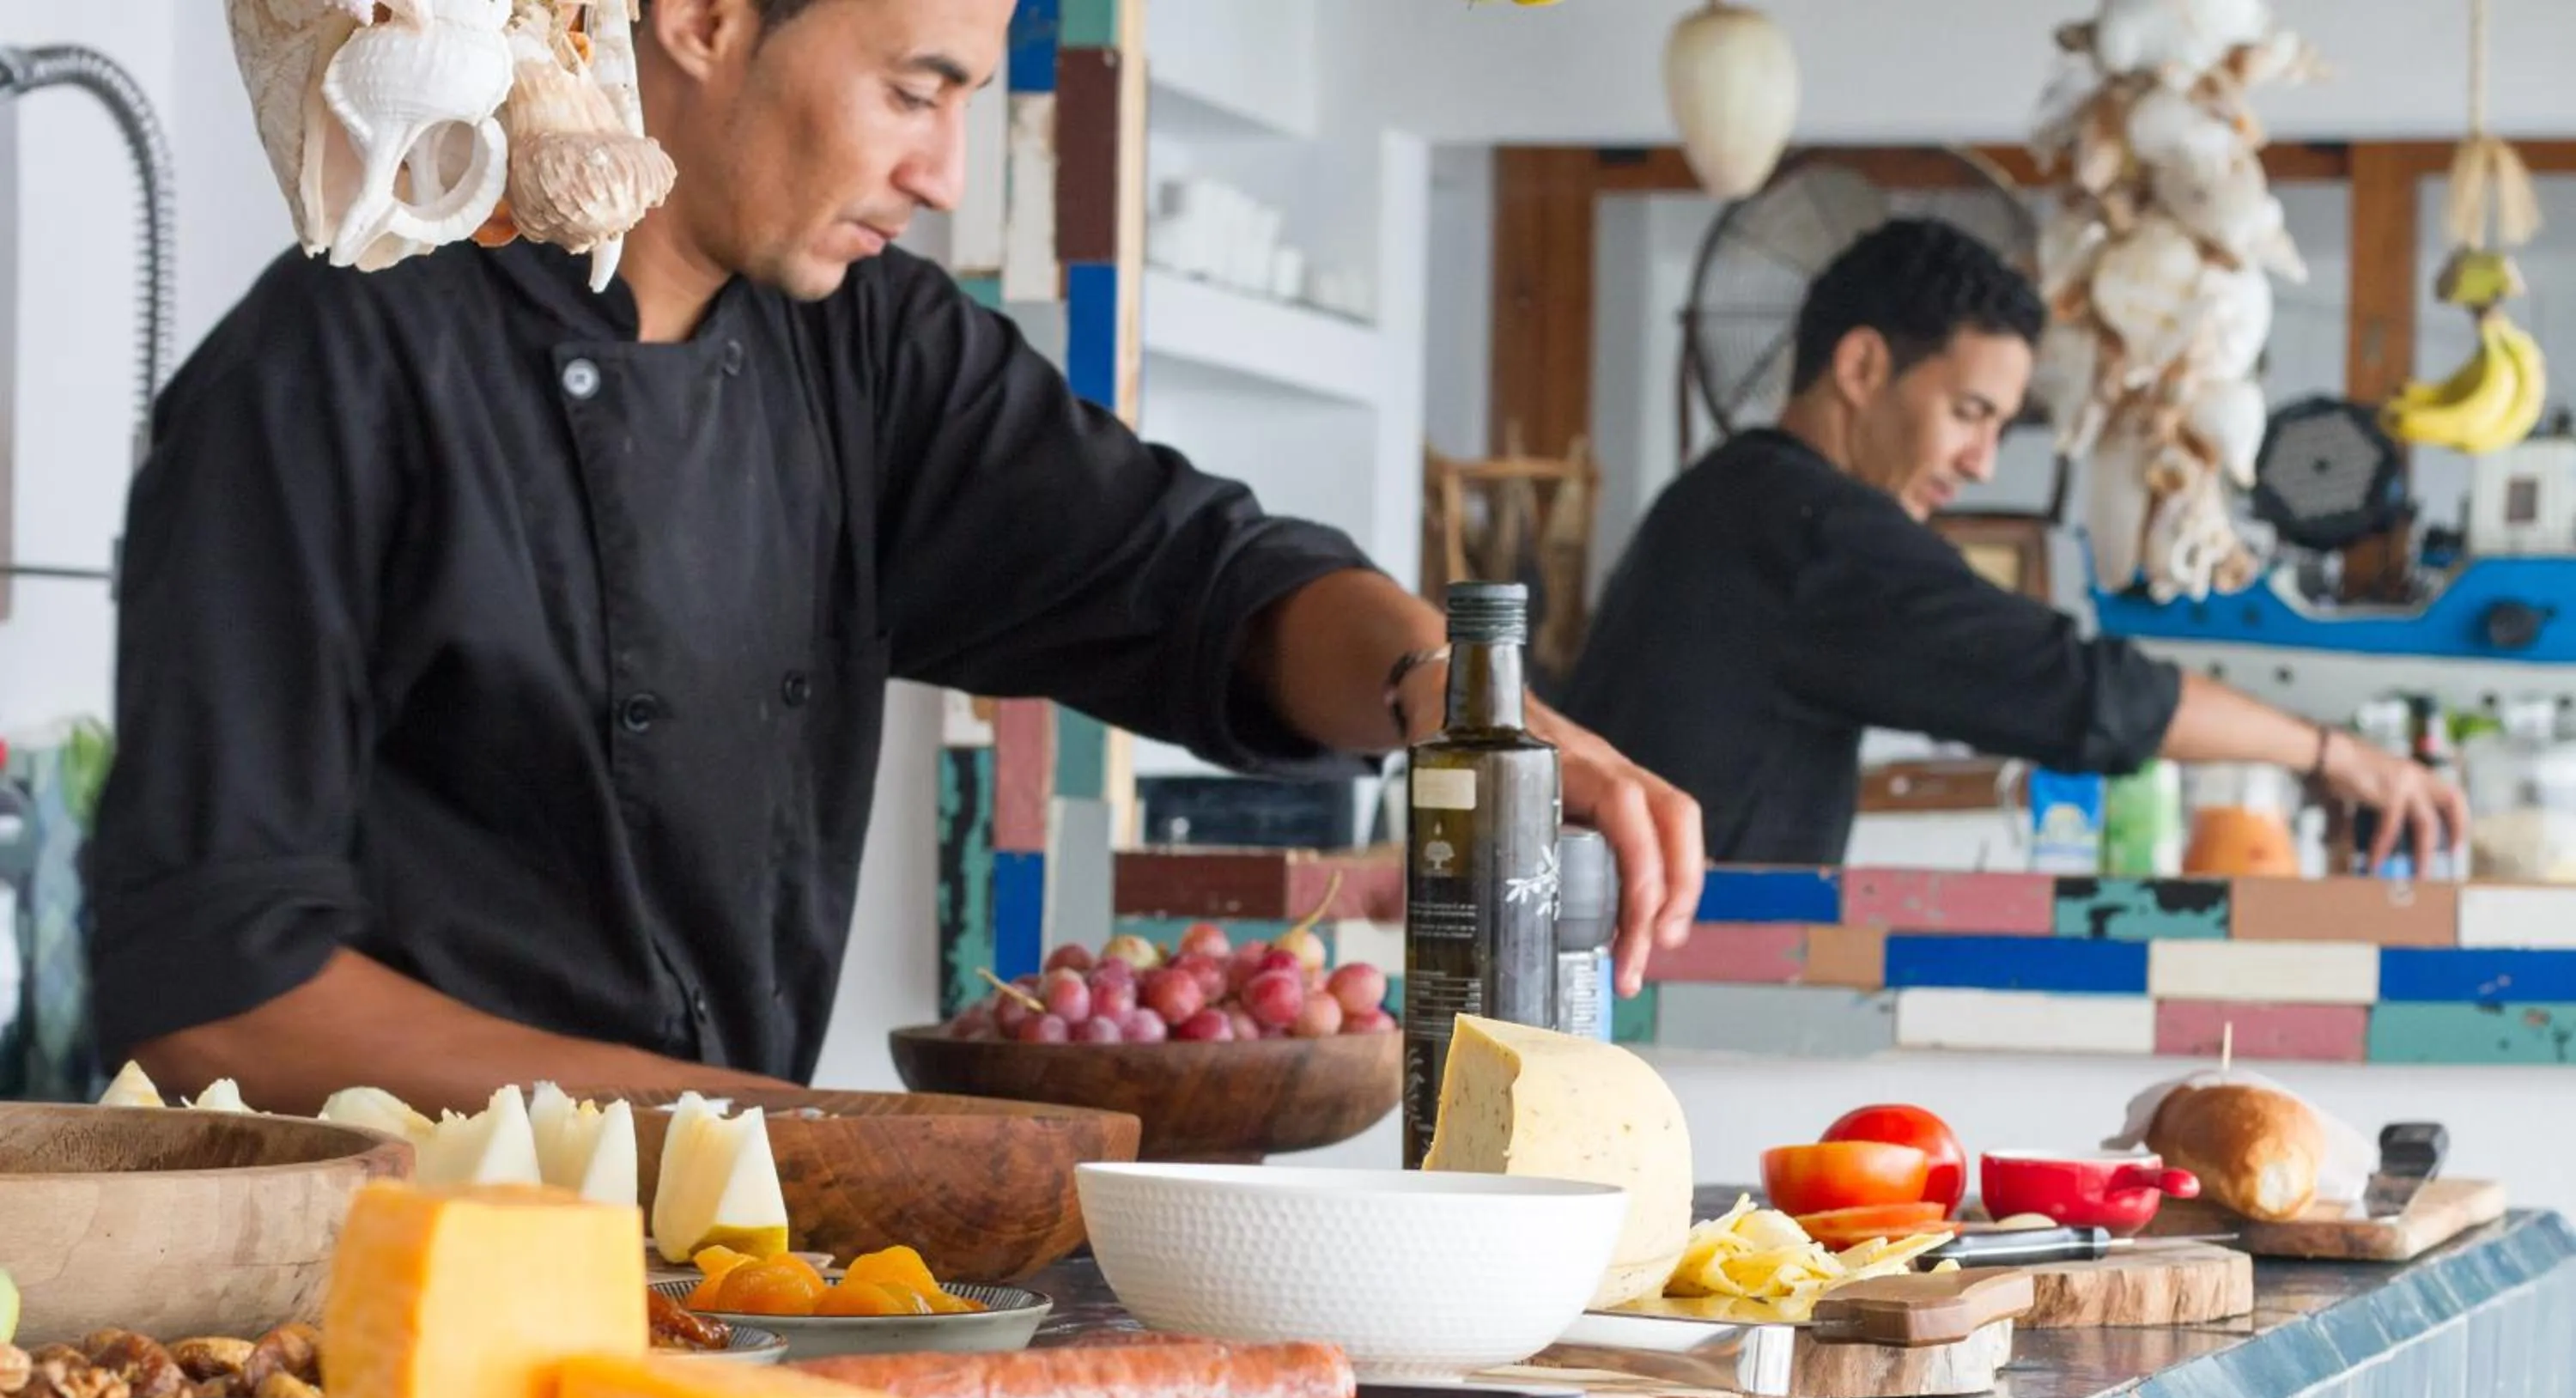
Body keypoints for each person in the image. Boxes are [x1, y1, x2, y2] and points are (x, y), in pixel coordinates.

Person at [93, 0, 1702, 1118]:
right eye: (915, 93)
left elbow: (1200, 579)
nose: (944, 174)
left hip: (726, 1278)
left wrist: (1454, 698)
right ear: (705, 23)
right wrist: (780, 1132)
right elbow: (222, 991)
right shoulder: (323, 377)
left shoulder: (866, 352)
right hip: (365, 1305)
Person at [1563, 217, 2465, 872]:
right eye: (1969, 413)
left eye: (1999, 426)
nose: (1982, 462)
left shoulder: (1730, 496)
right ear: (1862, 367)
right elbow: (2076, 692)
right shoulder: (1809, 527)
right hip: (1665, 1003)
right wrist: (2334, 754)